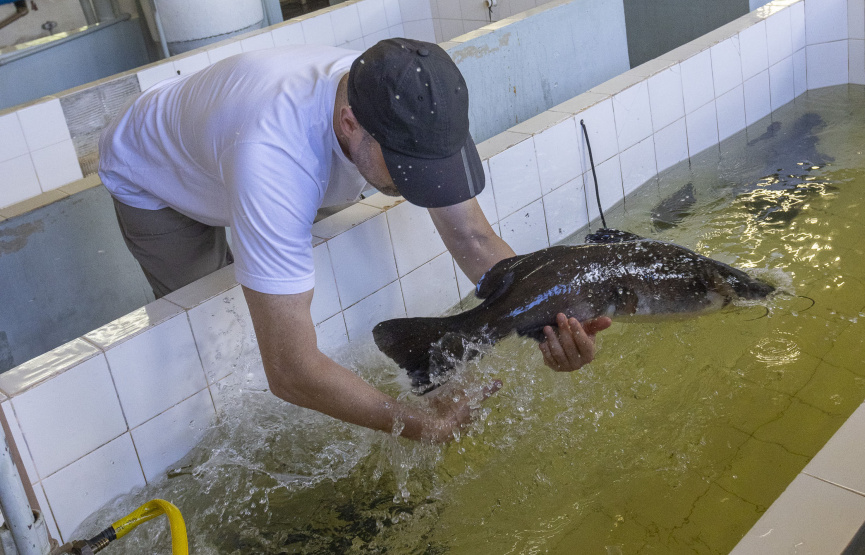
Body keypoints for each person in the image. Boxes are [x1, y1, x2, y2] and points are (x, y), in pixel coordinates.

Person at [98, 38, 612, 443]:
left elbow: (473, 237)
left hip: (239, 141)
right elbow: (290, 371)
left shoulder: (401, 97)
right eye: (410, 170)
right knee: (221, 333)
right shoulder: (273, 160)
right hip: (156, 178)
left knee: (288, 263)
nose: (424, 186)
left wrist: (551, 322)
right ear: (350, 124)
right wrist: (423, 426)